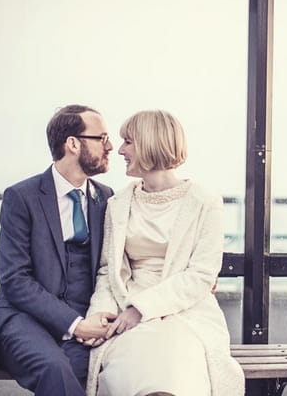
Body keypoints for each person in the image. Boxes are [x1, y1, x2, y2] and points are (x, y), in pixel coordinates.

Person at [84, 110, 244, 396]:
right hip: (126, 306)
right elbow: (109, 272)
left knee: (178, 362)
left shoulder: (205, 202)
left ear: (150, 143)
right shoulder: (118, 203)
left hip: (186, 310)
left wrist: (142, 309)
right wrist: (102, 314)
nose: (120, 150)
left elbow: (201, 275)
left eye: (128, 142)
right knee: (130, 364)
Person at [0, 104, 117, 396]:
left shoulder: (107, 198)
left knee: (88, 371)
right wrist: (76, 325)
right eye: (101, 138)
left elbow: (118, 263)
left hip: (85, 318)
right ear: (73, 144)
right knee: (53, 367)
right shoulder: (21, 197)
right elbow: (14, 279)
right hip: (22, 318)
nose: (110, 146)